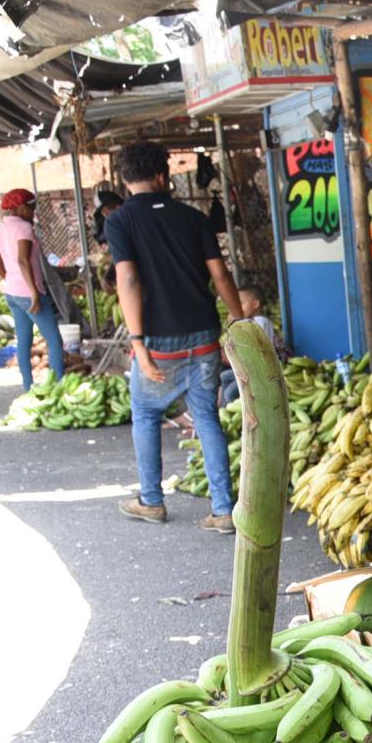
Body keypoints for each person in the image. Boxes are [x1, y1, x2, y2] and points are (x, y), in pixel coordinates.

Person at [104, 140, 244, 532]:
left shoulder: (119, 222)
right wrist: (239, 320)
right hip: (202, 333)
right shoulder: (194, 218)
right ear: (163, 176)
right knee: (206, 416)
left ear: (125, 179)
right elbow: (220, 274)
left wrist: (136, 342)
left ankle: (151, 500)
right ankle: (223, 510)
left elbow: (127, 278)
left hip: (157, 340)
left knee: (147, 415)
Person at [0, 189, 65, 393]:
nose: (32, 213)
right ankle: (58, 387)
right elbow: (23, 260)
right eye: (31, 208)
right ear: (20, 207)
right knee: (54, 340)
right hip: (29, 292)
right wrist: (33, 292)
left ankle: (27, 387)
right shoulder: (23, 228)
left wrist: (10, 278)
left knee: (24, 341)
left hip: (11, 292)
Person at [218, 290, 280, 406]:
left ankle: (233, 411)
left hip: (260, 370)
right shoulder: (249, 322)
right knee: (224, 376)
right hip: (248, 368)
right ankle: (223, 412)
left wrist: (234, 323)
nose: (235, 308)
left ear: (255, 304)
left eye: (240, 304)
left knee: (229, 394)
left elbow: (250, 346)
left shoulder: (260, 322)